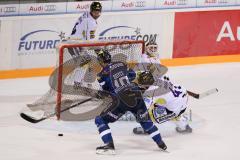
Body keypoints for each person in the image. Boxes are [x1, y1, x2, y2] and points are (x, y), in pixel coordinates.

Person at [94, 49, 167, 155]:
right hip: (136, 94)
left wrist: (100, 95)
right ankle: (161, 144)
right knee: (145, 121)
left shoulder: (101, 75)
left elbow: (108, 92)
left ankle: (109, 146)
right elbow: (132, 76)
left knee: (100, 120)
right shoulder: (121, 64)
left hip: (121, 99)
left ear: (100, 61)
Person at [132, 42, 192, 134]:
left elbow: (143, 109)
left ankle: (146, 127)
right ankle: (183, 125)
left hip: (174, 106)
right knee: (167, 105)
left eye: (154, 48)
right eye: (150, 48)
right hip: (181, 98)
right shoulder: (149, 62)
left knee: (154, 112)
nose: (153, 50)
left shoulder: (152, 90)